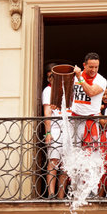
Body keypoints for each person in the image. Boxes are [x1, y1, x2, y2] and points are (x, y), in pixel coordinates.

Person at [42, 63, 69, 199]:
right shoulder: (48, 91)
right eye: (49, 77)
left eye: (53, 76)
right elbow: (47, 113)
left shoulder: (66, 89)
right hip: (56, 130)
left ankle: (61, 196)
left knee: (65, 165)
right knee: (53, 161)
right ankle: (51, 194)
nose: (51, 79)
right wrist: (48, 133)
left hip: (69, 130)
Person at [72, 52, 107, 152]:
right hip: (74, 119)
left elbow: (91, 92)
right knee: (73, 153)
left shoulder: (101, 80)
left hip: (91, 121)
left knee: (90, 155)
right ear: (84, 65)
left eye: (96, 67)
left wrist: (80, 77)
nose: (94, 70)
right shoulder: (74, 77)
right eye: (91, 67)